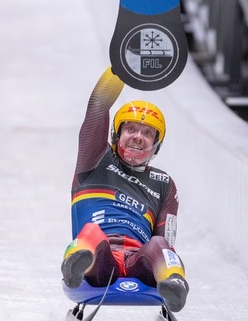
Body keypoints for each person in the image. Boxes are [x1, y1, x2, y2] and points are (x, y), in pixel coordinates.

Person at [60, 66, 189, 312]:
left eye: (147, 133)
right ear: (116, 135)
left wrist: (161, 259)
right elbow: (97, 108)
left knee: (159, 244)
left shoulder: (165, 184)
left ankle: (174, 282)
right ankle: (75, 265)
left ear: (156, 144)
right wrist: (120, 67)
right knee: (91, 233)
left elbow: (167, 239)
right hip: (100, 258)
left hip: (138, 260)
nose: (138, 136)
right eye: (131, 129)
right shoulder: (95, 161)